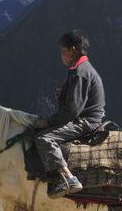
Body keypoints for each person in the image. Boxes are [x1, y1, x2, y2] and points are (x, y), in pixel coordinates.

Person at [32, 30, 106, 199]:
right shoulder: (80, 69)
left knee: (44, 138)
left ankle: (68, 178)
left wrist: (48, 122)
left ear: (72, 49)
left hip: (87, 121)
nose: (62, 55)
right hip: (86, 117)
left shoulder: (80, 73)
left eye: (63, 51)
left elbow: (72, 111)